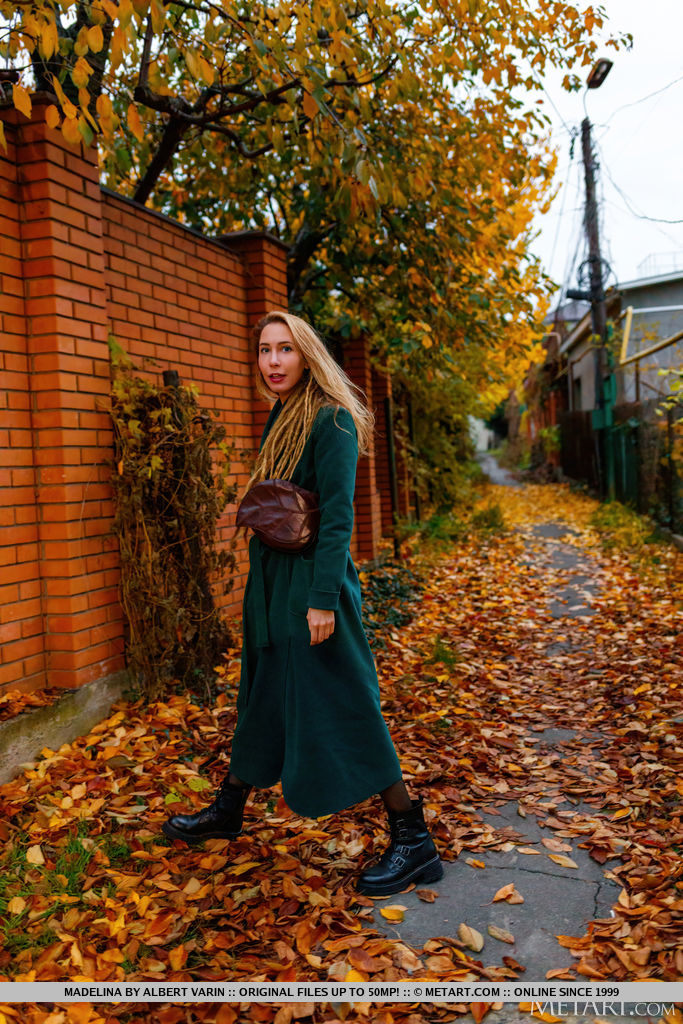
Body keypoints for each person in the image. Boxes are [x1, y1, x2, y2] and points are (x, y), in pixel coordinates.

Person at [163, 311, 442, 896]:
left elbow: (338, 517)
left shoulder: (332, 419)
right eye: (265, 350)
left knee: (346, 701)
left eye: (285, 349)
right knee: (263, 693)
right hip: (272, 586)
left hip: (314, 589)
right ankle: (230, 807)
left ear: (307, 354)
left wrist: (321, 602)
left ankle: (414, 840)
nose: (273, 361)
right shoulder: (285, 414)